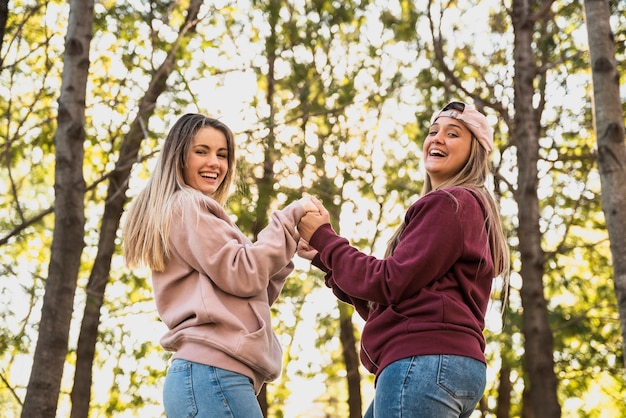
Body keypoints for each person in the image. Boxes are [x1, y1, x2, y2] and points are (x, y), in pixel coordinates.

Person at [297, 101, 510, 418]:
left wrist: (326, 238)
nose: (437, 139)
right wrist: (325, 258)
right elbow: (391, 300)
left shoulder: (449, 203)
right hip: (452, 366)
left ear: (475, 151)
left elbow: (388, 282)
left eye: (453, 134)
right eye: (433, 131)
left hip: (424, 361)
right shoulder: (467, 210)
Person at [123, 113, 317, 418]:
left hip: (210, 375)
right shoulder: (189, 205)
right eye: (202, 151)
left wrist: (287, 242)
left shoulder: (186, 211)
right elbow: (245, 275)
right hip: (212, 372)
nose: (215, 162)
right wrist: (287, 219)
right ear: (178, 157)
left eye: (222, 154)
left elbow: (252, 292)